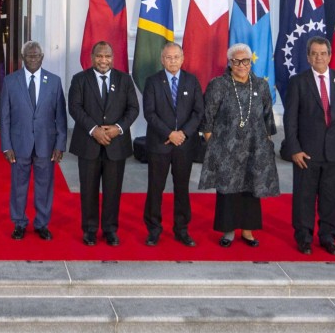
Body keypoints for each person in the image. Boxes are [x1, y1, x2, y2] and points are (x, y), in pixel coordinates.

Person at [281, 36, 335, 256]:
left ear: (330, 55)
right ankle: (304, 237)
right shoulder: (299, 82)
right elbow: (291, 120)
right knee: (304, 197)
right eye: (314, 53)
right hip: (306, 152)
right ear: (308, 57)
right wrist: (294, 149)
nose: (319, 57)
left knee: (331, 197)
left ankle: (328, 236)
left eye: (323, 53)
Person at [199, 43, 279, 248]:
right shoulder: (218, 85)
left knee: (251, 190)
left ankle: (248, 231)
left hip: (254, 148)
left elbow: (268, 117)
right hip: (227, 149)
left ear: (250, 62)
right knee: (228, 191)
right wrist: (213, 144)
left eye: (245, 61)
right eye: (236, 61)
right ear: (230, 63)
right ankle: (228, 231)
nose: (241, 65)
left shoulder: (261, 85)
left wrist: (266, 143)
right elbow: (207, 117)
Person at [67, 41, 140, 247]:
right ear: (92, 57)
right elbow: (75, 107)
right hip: (88, 144)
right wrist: (94, 129)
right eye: (99, 56)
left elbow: (133, 109)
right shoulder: (80, 79)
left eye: (107, 56)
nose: (103, 60)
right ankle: (89, 230)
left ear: (113, 58)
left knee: (113, 190)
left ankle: (110, 229)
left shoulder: (124, 80)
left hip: (116, 145)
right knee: (88, 190)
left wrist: (118, 127)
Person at [0, 40, 67, 241]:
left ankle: (42, 224)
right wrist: (6, 146)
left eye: (36, 55)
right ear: (22, 58)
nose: (33, 59)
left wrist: (60, 144)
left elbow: (60, 116)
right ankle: (19, 223)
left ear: (42, 57)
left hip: (46, 144)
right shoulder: (11, 81)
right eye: (29, 55)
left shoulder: (54, 81)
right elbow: (4, 117)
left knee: (44, 186)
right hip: (19, 145)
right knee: (18, 186)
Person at [141, 41, 204, 247]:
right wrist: (170, 133)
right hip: (159, 143)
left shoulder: (192, 81)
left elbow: (198, 112)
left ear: (182, 59)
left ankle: (181, 229)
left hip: (184, 145)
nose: (173, 61)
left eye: (176, 57)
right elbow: (149, 113)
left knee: (182, 188)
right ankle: (153, 230)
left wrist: (182, 134)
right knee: (155, 188)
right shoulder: (152, 82)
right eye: (168, 57)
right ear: (162, 59)